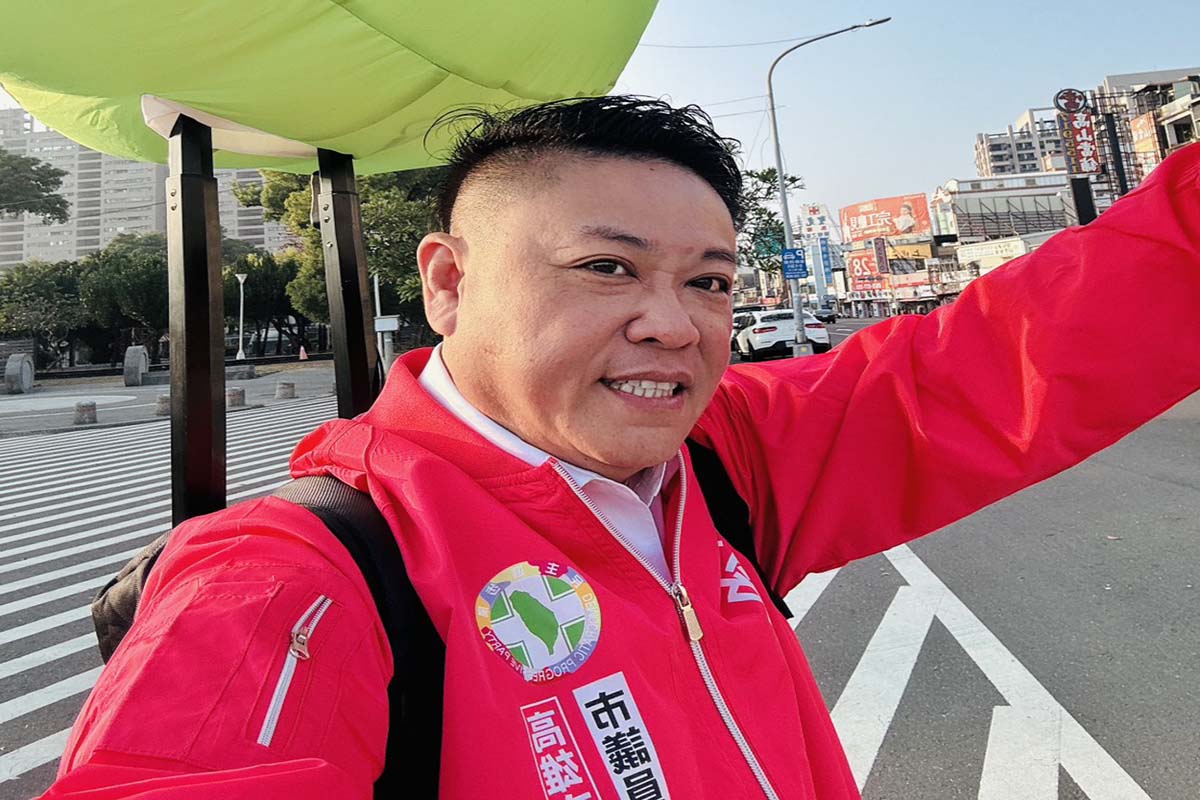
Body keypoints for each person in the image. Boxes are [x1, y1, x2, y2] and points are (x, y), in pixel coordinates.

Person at [39, 97, 1200, 799]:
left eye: (710, 281)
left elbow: (1008, 356)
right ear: (448, 281)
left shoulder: (723, 461)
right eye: (608, 267)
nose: (675, 323)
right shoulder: (286, 579)